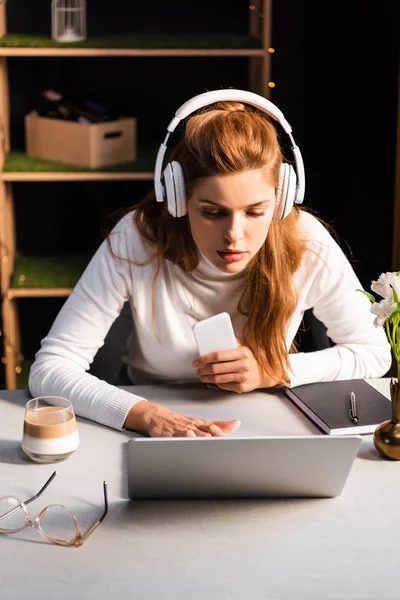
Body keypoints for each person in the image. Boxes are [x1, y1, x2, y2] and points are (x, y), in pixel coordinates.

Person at [29, 89, 391, 437]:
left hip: (273, 425)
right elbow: (50, 368)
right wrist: (146, 415)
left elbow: (374, 353)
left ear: (280, 201)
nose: (234, 234)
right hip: (153, 422)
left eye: (255, 212)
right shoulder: (137, 238)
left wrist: (275, 369)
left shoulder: (306, 240)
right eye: (212, 212)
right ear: (178, 198)